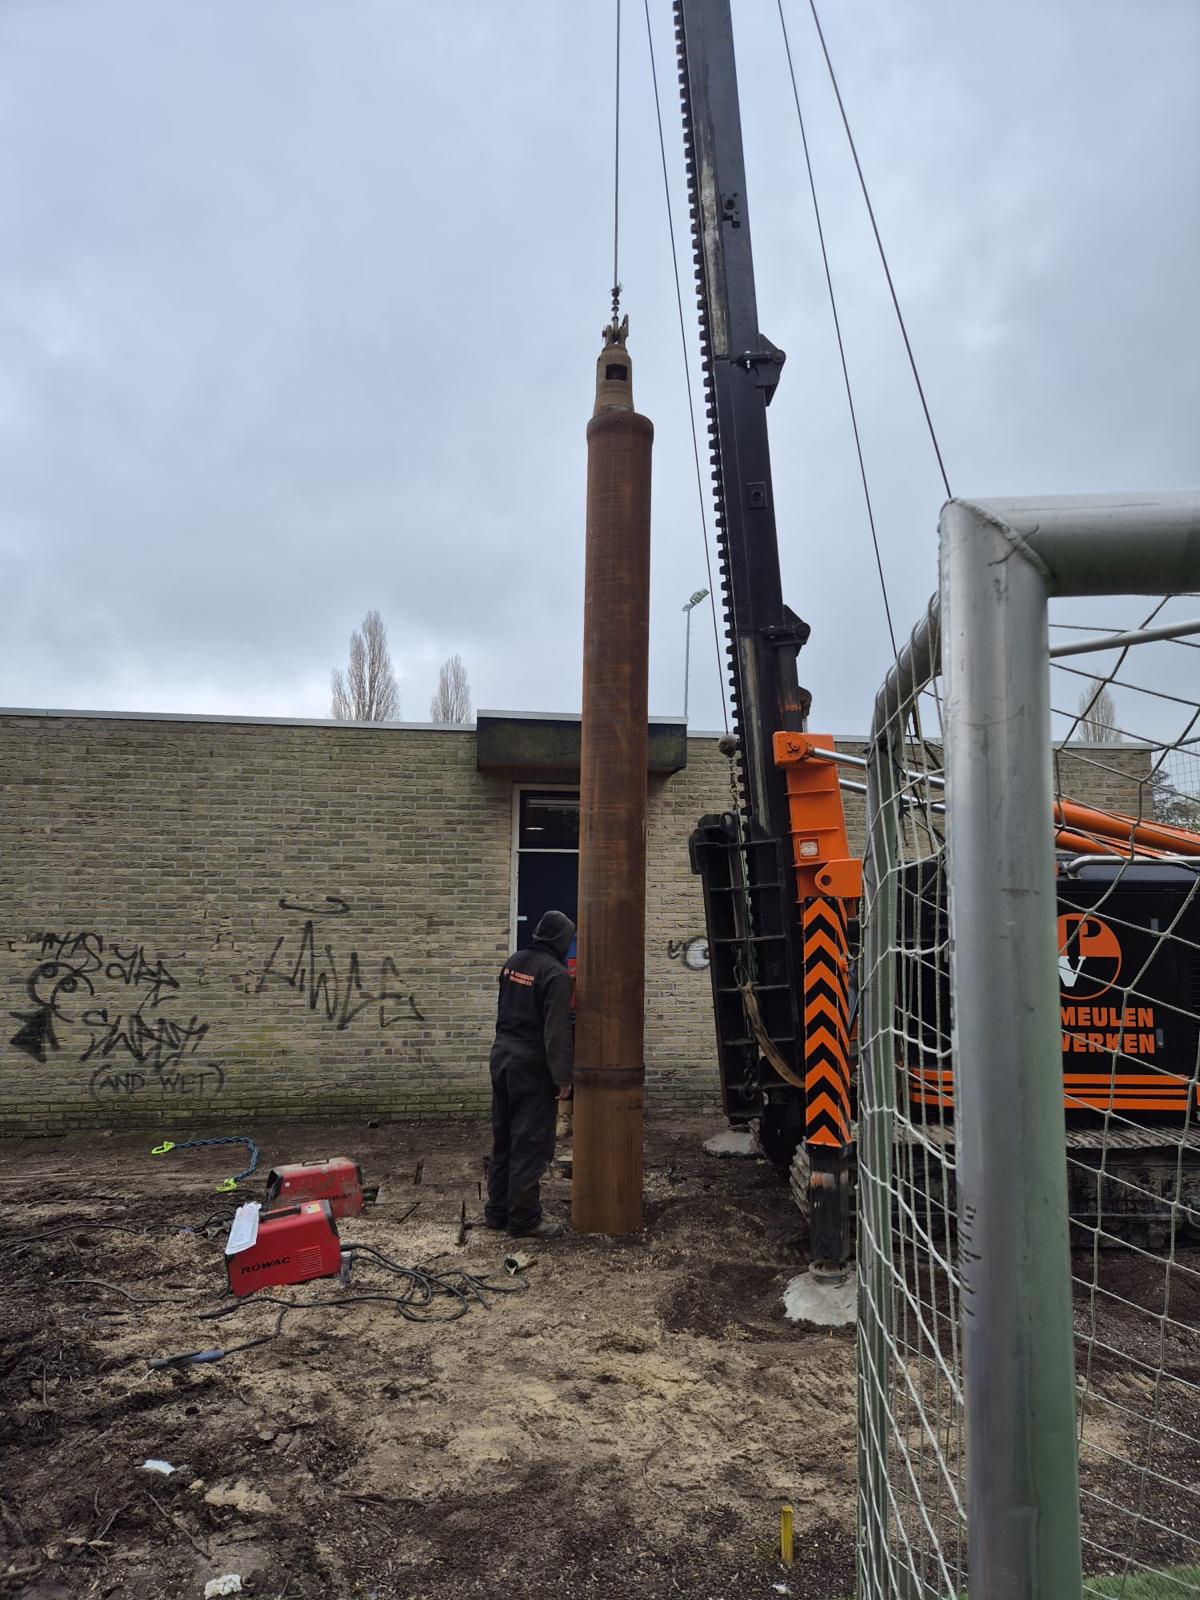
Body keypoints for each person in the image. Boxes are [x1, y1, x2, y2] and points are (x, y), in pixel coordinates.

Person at [485, 909, 575, 1238]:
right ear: (562, 940)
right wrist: (563, 1077)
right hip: (531, 1068)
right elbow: (556, 1032)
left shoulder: (514, 962)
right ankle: (524, 1219)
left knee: (504, 1137)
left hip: (502, 1058)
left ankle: (497, 1213)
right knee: (531, 1142)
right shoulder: (555, 975)